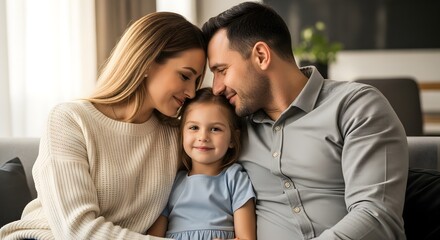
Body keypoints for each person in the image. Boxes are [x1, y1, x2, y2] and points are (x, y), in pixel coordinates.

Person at [202, 2, 409, 239]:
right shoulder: (232, 127)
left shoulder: (356, 107)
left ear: (261, 55)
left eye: (222, 70)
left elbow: (377, 217)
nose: (216, 87)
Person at [0, 12, 206, 240]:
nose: (192, 92)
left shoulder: (176, 138)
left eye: (197, 81)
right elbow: (76, 231)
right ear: (148, 61)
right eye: (185, 76)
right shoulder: (70, 120)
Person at [147, 87, 256, 240]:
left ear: (232, 138)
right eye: (194, 127)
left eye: (215, 129)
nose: (203, 136)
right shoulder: (171, 180)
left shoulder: (235, 178)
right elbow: (153, 237)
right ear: (182, 134)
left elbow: (247, 238)